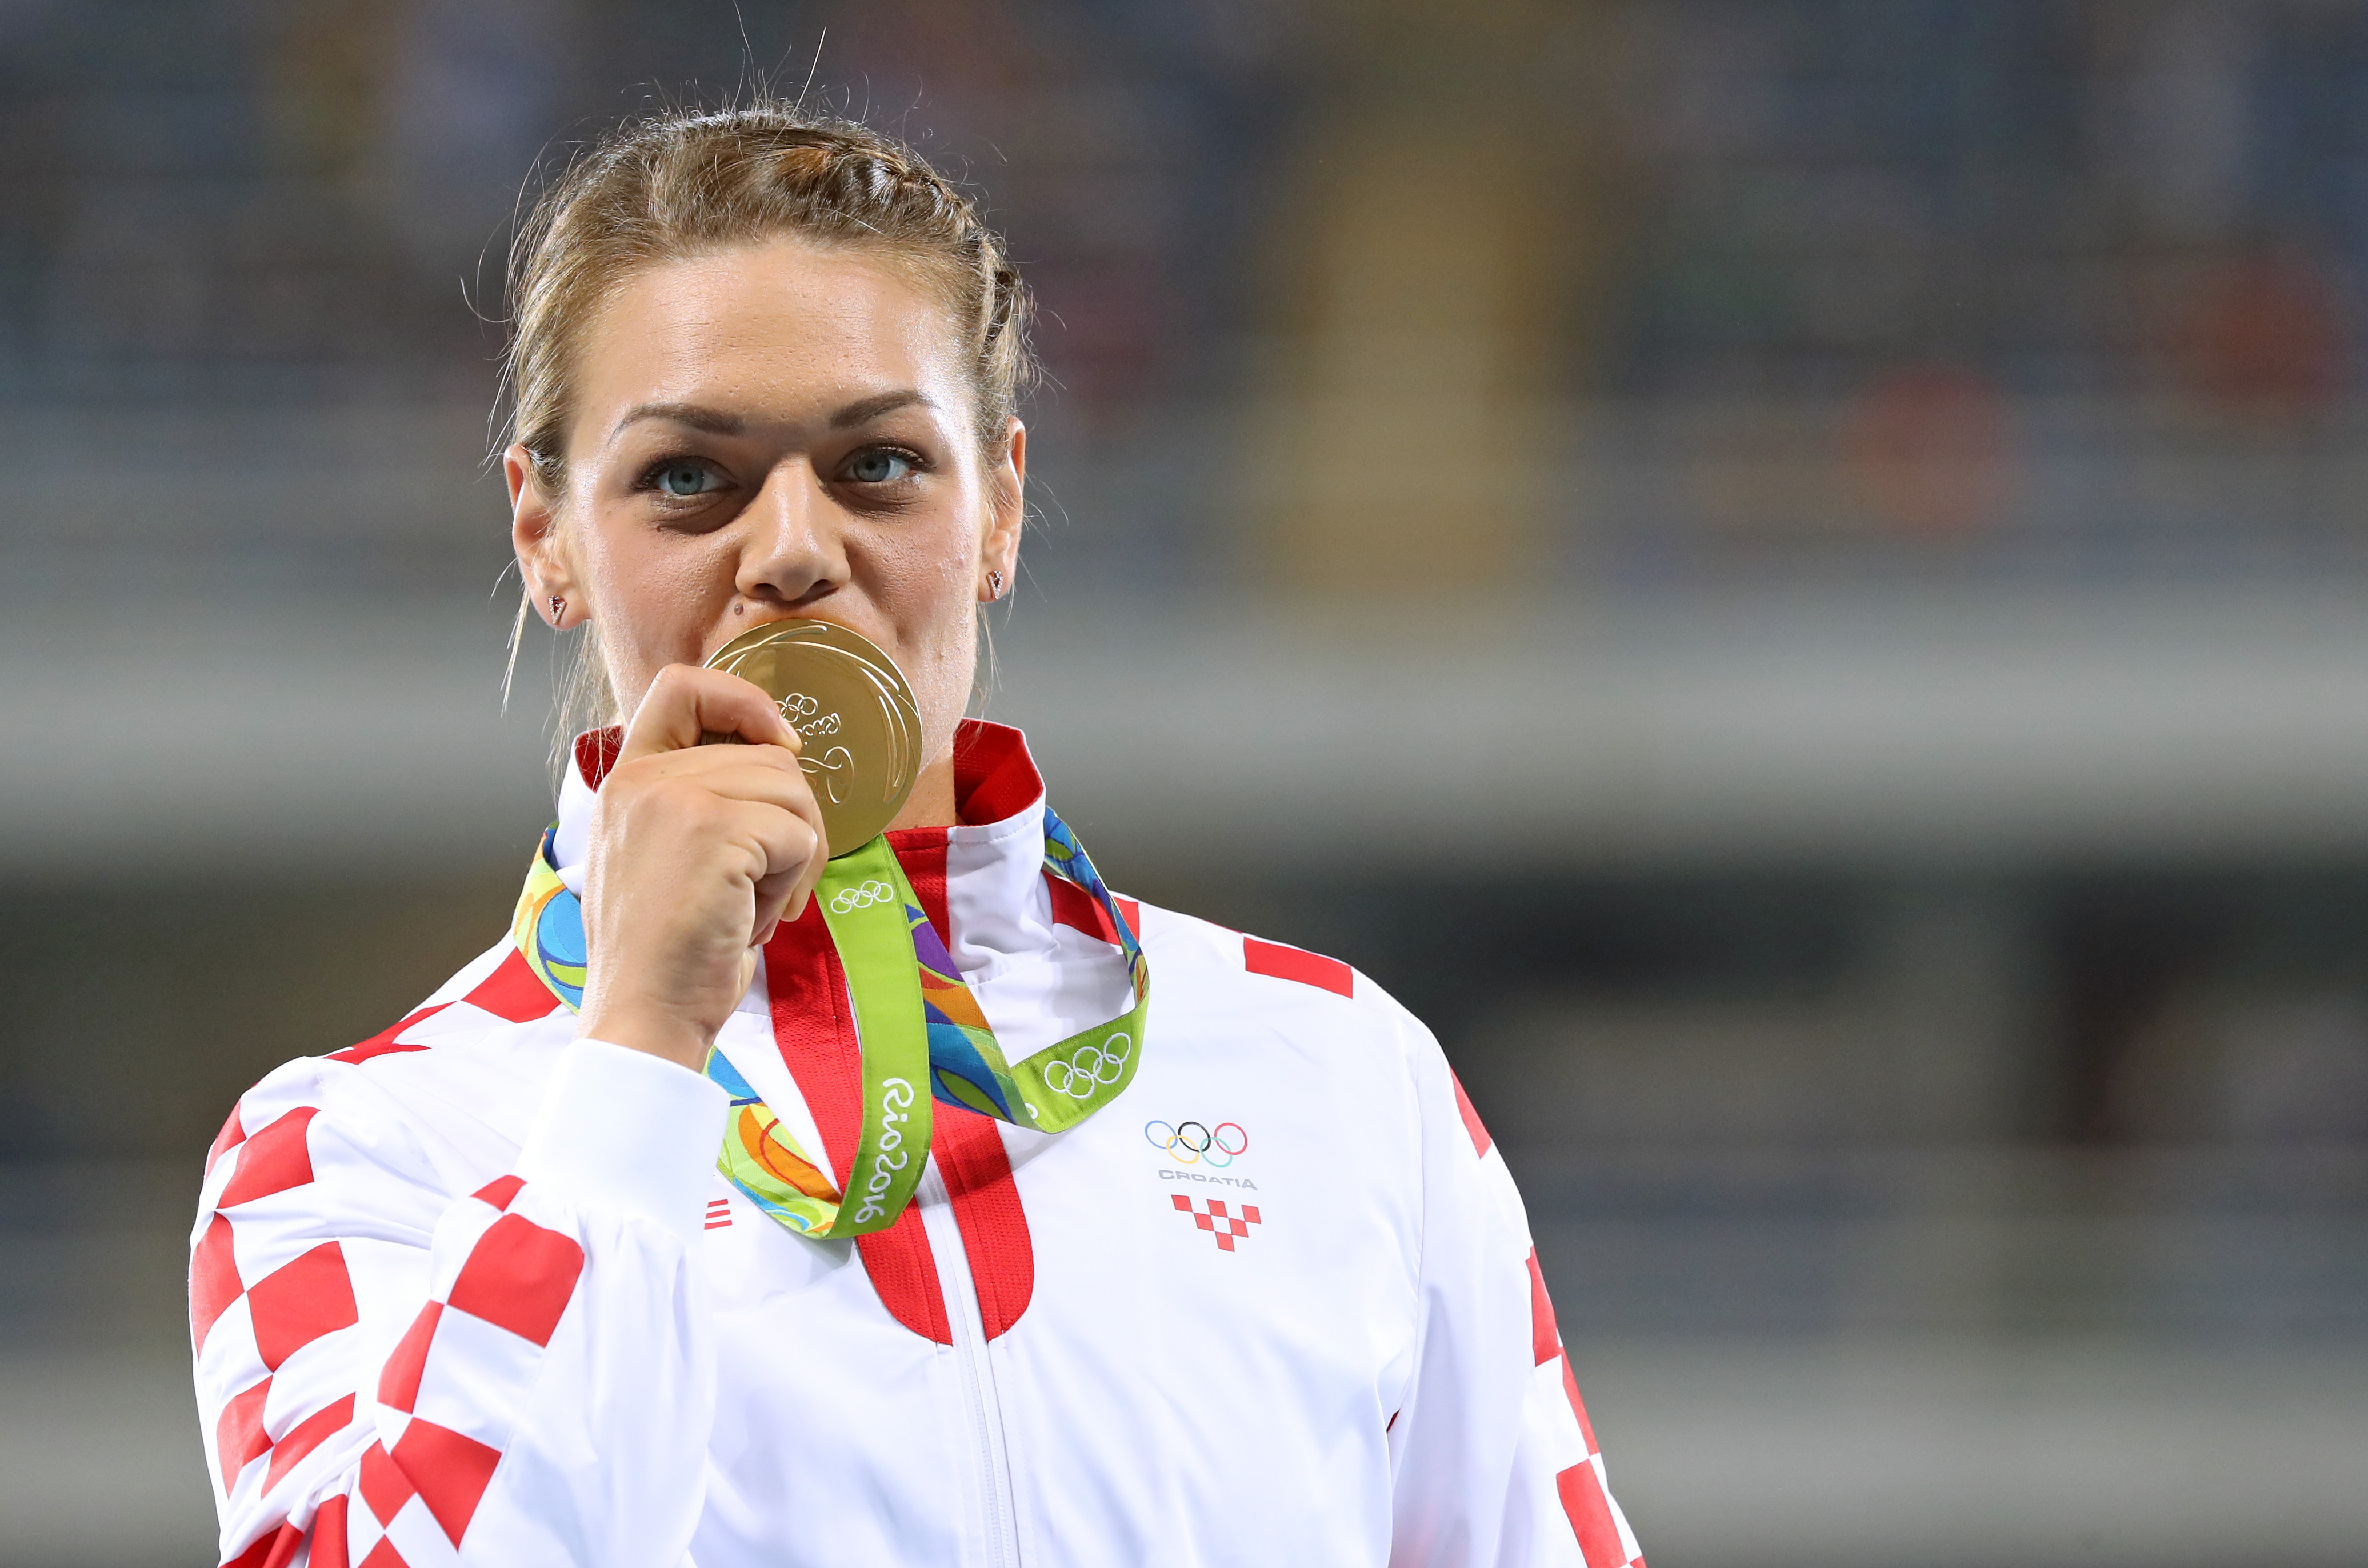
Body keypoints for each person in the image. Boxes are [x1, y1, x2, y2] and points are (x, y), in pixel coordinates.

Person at [187, 104, 1645, 1568]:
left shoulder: (1339, 1072)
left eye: (877, 464)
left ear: (999, 506)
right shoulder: (352, 1149)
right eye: (687, 476)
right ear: (545, 535)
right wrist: (637, 1052)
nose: (793, 550)